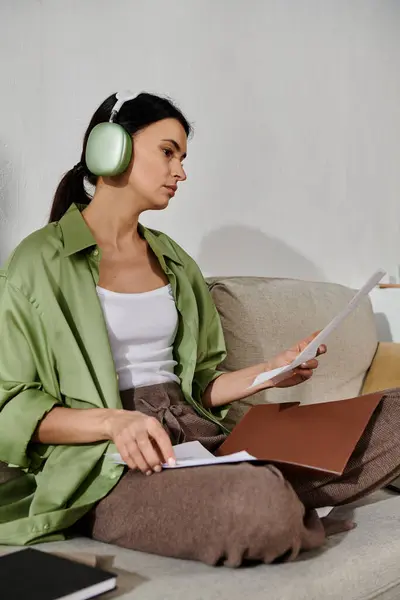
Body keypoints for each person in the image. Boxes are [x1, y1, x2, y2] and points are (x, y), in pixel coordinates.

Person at [0, 91, 399, 567]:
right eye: (168, 152)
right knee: (260, 505)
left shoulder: (173, 259)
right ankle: (265, 498)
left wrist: (268, 373)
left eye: (183, 157)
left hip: (199, 438)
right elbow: (11, 405)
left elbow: (200, 387)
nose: (181, 172)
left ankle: (257, 489)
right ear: (112, 148)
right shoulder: (37, 262)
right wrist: (114, 421)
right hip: (109, 462)